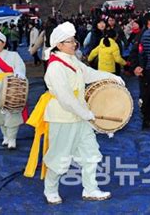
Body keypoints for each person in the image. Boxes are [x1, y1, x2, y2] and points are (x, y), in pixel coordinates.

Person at [23, 22, 125, 204]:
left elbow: (89, 74)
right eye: (69, 41)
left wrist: (112, 77)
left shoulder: (71, 60)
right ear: (59, 45)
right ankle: (51, 189)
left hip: (80, 116)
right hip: (62, 117)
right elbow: (65, 98)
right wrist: (86, 114)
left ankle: (90, 188)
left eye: (73, 41)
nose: (74, 44)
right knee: (59, 155)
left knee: (90, 153)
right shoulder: (55, 67)